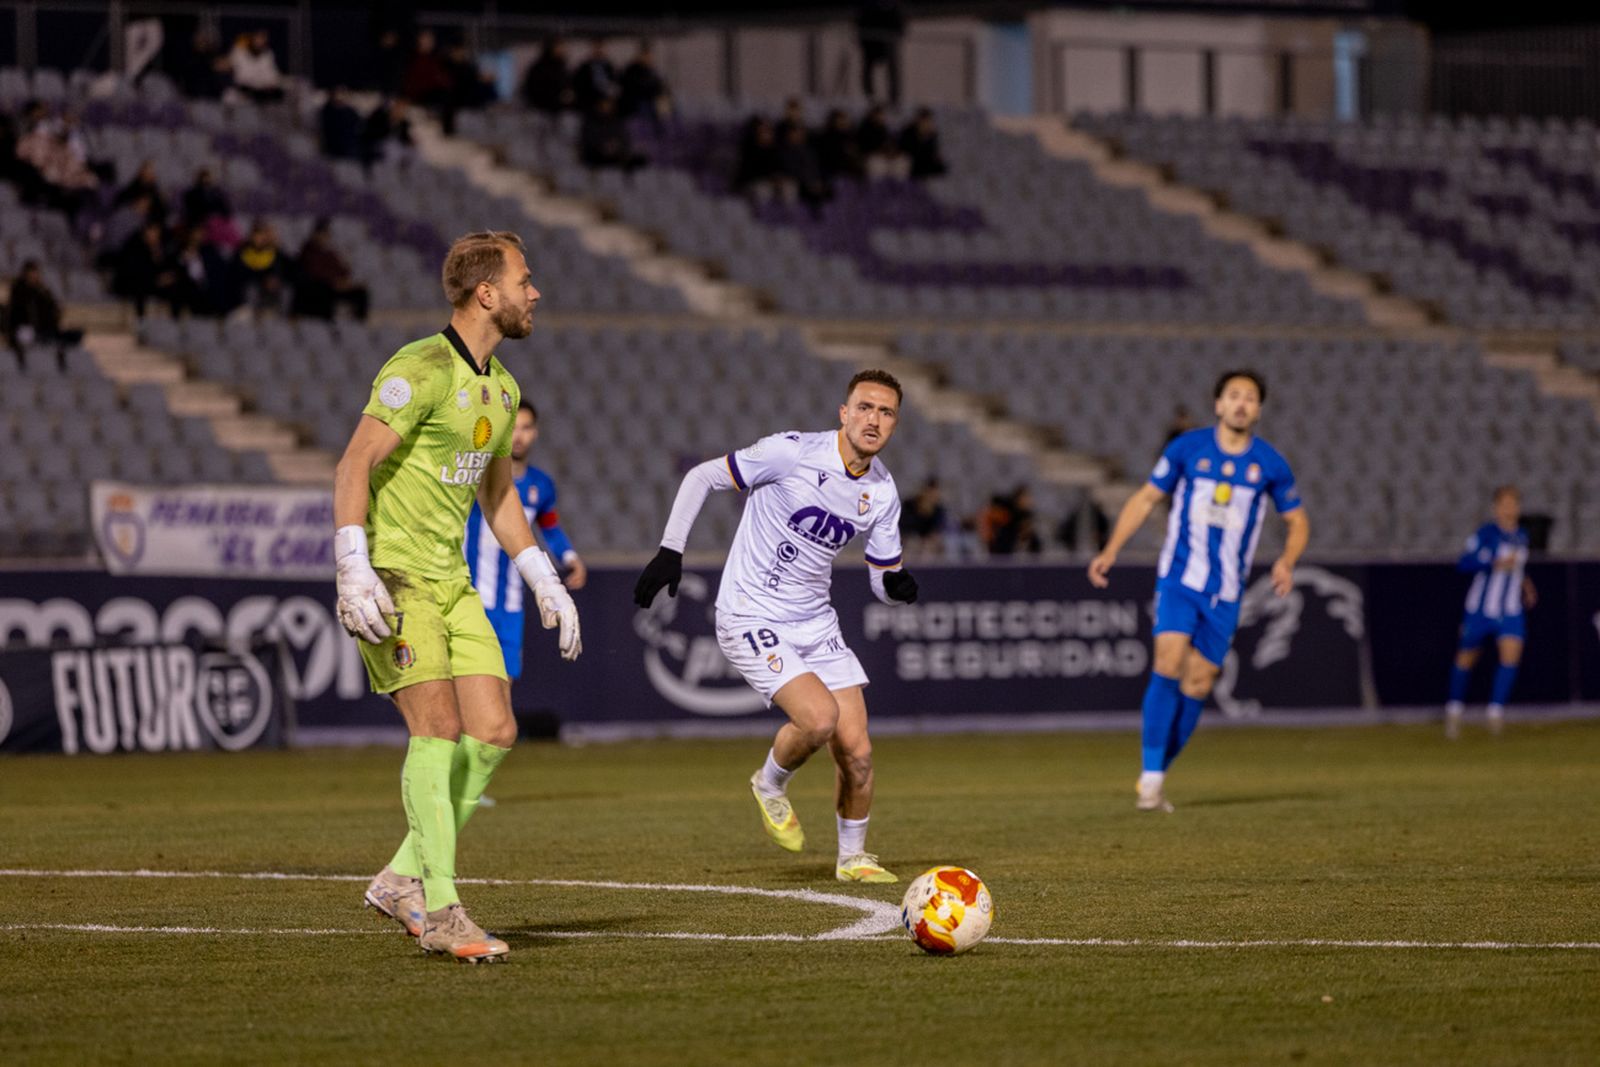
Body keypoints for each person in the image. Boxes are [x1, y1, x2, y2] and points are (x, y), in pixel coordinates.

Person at [334, 230, 580, 963]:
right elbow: (354, 462)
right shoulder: (421, 367)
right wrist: (353, 562)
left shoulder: (501, 390)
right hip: (395, 574)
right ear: (486, 293)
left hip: (453, 579)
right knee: (436, 728)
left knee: (496, 731)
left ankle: (399, 878)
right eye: (524, 279)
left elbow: (498, 495)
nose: (534, 292)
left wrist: (541, 576)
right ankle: (440, 909)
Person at [633, 369, 920, 883]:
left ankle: (852, 858)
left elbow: (882, 577)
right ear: (844, 412)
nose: (874, 419)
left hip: (815, 622)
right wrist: (670, 551)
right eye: (865, 407)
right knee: (818, 719)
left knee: (859, 753)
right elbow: (703, 476)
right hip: (750, 612)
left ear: (896, 424)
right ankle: (768, 784)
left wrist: (894, 587)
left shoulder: (881, 492)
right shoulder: (792, 453)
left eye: (886, 412)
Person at [1088, 370, 1309, 813]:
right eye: (1234, 395)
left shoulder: (1269, 464)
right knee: (1168, 660)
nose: (1242, 403)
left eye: (1250, 397)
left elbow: (1298, 520)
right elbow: (1146, 499)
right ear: (1218, 404)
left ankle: (1155, 774)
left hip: (1226, 593)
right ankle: (1151, 781)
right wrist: (1111, 549)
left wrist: (1287, 560)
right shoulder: (1187, 448)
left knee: (1200, 681)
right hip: (1180, 580)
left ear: (1258, 409)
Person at [466, 400, 588, 682]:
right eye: (513, 428)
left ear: (535, 433)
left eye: (526, 428)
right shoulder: (476, 478)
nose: (518, 436)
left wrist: (570, 559)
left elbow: (550, 527)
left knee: (504, 692)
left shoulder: (541, 485)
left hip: (511, 605)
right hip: (471, 600)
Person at [1445, 485, 1535, 739]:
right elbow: (1464, 563)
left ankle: (1495, 713)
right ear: (1496, 507)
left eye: (1514, 503)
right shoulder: (1486, 534)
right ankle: (1454, 711)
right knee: (1466, 659)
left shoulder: (1522, 536)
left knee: (1511, 656)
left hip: (1510, 609)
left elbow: (1517, 569)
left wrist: (1525, 585)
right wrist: (1493, 562)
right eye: (1505, 503)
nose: (1510, 508)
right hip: (1481, 609)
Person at [293, 219, 369, 321]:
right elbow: (315, 273)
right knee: (325, 289)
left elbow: (343, 271)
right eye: (322, 234)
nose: (324, 237)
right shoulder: (307, 251)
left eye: (326, 234)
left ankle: (358, 324)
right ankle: (327, 323)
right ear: (315, 234)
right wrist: (334, 282)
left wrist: (344, 279)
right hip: (316, 289)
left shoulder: (329, 253)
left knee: (360, 292)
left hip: (334, 286)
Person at [228, 30, 285, 105]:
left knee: (278, 93)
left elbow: (271, 74)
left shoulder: (268, 54)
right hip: (244, 87)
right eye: (258, 38)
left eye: (263, 39)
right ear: (252, 38)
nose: (260, 41)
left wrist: (272, 83)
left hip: (262, 89)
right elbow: (241, 75)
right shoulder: (240, 52)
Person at [520, 37, 573, 115]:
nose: (562, 49)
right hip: (542, 110)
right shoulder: (539, 68)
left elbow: (567, 84)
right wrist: (557, 96)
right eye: (559, 47)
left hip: (560, 110)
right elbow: (535, 89)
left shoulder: (562, 66)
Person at [899, 108, 947, 180]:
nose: (926, 123)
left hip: (925, 163)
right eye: (924, 120)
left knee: (941, 168)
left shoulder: (932, 135)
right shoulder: (908, 132)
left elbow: (933, 153)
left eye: (928, 121)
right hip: (910, 163)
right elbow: (905, 151)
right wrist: (921, 137)